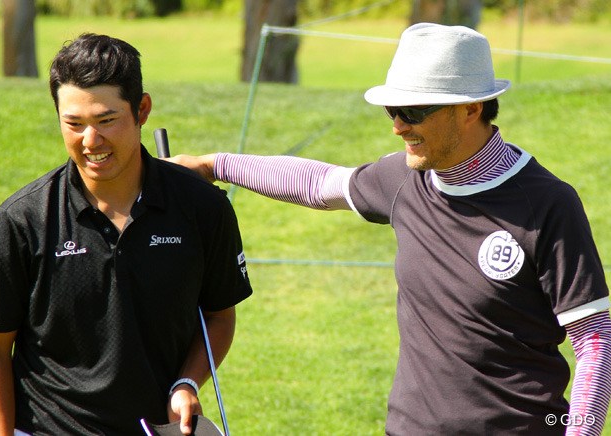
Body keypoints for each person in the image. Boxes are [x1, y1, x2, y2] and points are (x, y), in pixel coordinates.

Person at [170, 23, 611, 435]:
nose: (399, 126)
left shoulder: (547, 203)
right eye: (392, 110)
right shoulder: (404, 178)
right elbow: (319, 184)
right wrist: (212, 165)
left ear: (471, 109)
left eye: (413, 110)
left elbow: (594, 339)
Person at [0, 33, 252, 435]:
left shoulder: (203, 208)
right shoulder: (20, 221)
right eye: (74, 123)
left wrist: (187, 382)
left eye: (106, 121)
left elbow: (219, 315)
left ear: (142, 110)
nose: (90, 141)